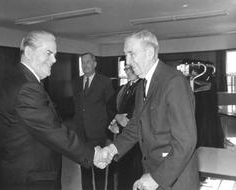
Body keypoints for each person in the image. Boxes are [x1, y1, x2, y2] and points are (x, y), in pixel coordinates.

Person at [0, 30, 110, 189]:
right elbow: (52, 131)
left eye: (54, 54)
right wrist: (93, 154)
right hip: (28, 178)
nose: (54, 60)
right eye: (48, 53)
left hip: (14, 170)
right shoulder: (28, 86)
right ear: (28, 52)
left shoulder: (15, 76)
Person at [98, 30, 199, 190]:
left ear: (150, 52)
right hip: (152, 173)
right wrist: (113, 149)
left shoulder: (174, 81)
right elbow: (136, 125)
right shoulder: (143, 84)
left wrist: (157, 178)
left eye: (132, 54)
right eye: (126, 55)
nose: (128, 61)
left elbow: (186, 142)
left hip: (175, 179)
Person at [71, 52, 115, 190]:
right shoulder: (76, 82)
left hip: (98, 134)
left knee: (100, 168)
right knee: (85, 168)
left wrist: (108, 132)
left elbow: (111, 108)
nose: (85, 65)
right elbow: (77, 107)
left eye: (88, 62)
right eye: (83, 62)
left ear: (95, 64)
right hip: (81, 134)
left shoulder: (104, 82)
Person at [108, 64, 142, 190]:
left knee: (135, 174)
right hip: (120, 137)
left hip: (136, 139)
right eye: (126, 69)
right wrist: (116, 117)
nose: (128, 71)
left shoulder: (144, 87)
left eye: (131, 68)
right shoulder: (123, 88)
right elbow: (109, 107)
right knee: (122, 173)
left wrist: (125, 123)